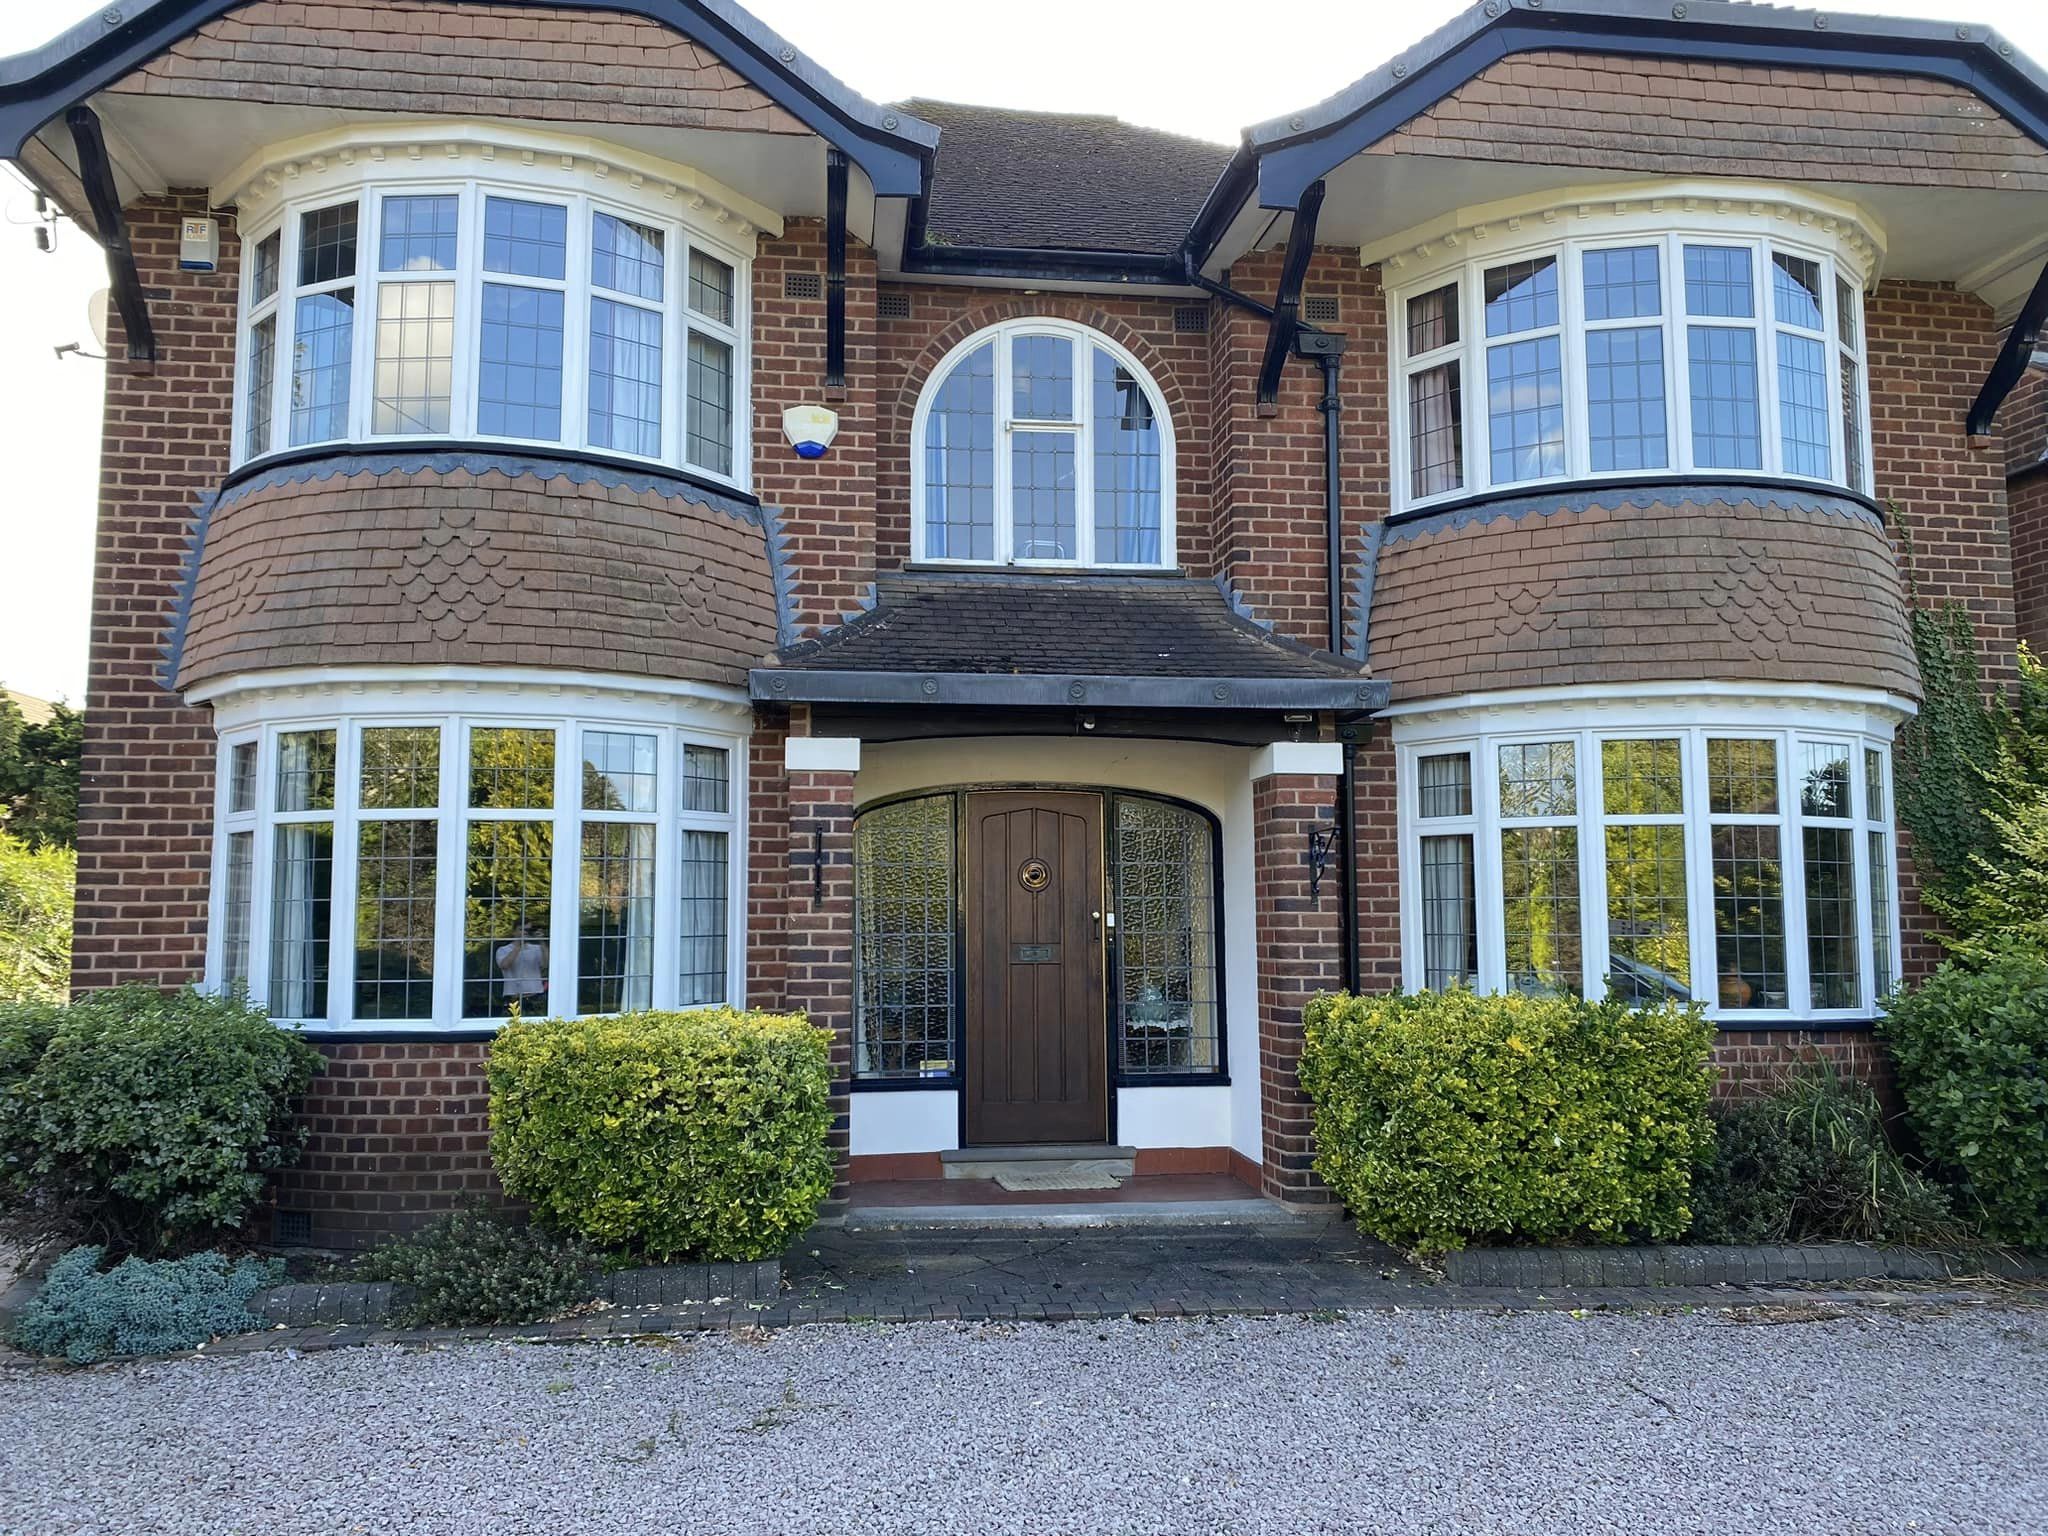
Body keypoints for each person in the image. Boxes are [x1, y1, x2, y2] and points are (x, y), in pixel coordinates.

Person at [495, 923, 547, 1006]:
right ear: (514, 932)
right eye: (521, 929)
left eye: (527, 930)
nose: (525, 932)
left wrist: (542, 941)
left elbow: (546, 965)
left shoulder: (537, 948)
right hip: (513, 997)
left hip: (536, 996)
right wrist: (519, 946)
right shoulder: (503, 950)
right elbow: (504, 965)